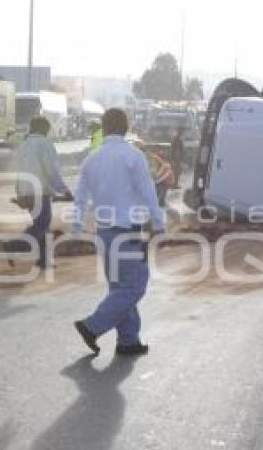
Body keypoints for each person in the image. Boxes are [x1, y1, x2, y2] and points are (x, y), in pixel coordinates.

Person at [72, 108, 165, 356]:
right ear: (126, 127)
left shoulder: (92, 159)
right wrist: (158, 223)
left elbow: (80, 199)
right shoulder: (133, 156)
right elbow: (148, 192)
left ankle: (128, 340)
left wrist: (75, 228)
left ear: (104, 127)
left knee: (120, 287)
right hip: (127, 232)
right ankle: (92, 326)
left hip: (104, 234)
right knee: (134, 286)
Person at [12, 116, 73, 269]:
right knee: (41, 225)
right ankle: (14, 246)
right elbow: (51, 171)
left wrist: (20, 194)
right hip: (39, 192)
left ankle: (43, 260)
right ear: (44, 129)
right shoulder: (45, 144)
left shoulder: (23, 146)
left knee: (40, 225)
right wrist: (64, 190)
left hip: (26, 191)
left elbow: (17, 172)